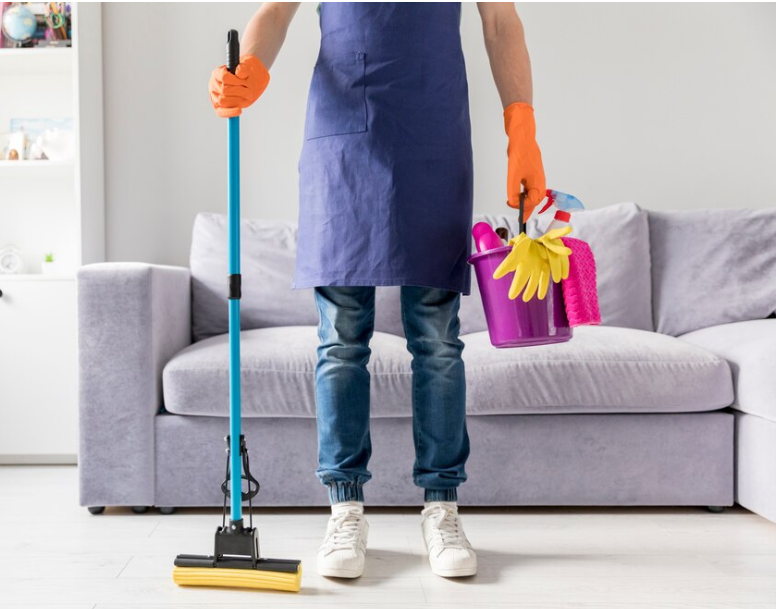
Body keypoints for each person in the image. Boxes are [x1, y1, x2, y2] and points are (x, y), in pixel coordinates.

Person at [208, 2, 546, 579]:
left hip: (434, 131)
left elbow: (500, 21)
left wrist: (521, 122)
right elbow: (275, 12)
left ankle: (442, 507)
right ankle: (345, 507)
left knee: (437, 336)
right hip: (343, 138)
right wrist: (254, 69)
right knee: (341, 336)